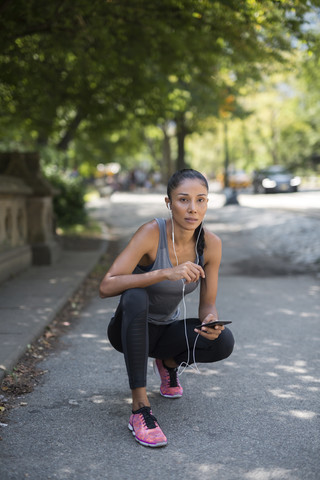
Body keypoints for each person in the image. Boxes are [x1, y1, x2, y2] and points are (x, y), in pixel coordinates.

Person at [99, 168, 234, 448]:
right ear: (169, 202)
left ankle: (168, 363)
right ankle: (140, 409)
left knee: (223, 341)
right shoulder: (151, 232)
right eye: (183, 199)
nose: (193, 209)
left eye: (201, 200)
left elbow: (208, 305)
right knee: (135, 296)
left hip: (165, 333)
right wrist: (164, 273)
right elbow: (107, 286)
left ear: (207, 203)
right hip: (129, 329)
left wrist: (211, 320)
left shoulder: (211, 245)